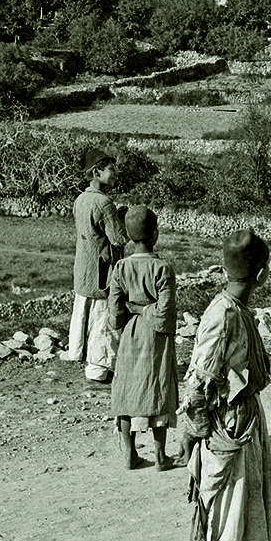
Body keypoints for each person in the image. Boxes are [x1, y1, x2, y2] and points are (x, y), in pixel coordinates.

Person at [182, 229, 271, 541]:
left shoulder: (235, 308)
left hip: (238, 424)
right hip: (225, 431)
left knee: (232, 516)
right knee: (214, 516)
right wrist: (200, 434)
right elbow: (196, 385)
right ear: (260, 273)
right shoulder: (223, 316)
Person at [108, 205, 180, 472]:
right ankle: (161, 457)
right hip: (155, 337)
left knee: (127, 390)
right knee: (157, 387)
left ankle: (130, 454)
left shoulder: (120, 268)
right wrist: (145, 309)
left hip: (130, 333)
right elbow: (165, 316)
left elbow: (115, 313)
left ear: (127, 235)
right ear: (156, 235)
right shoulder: (163, 269)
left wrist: (133, 311)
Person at [66, 147, 128, 383]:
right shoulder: (104, 204)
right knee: (102, 322)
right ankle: (99, 370)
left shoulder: (80, 199)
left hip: (84, 270)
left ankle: (88, 362)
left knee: (85, 317)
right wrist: (123, 219)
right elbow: (118, 239)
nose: (115, 174)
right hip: (103, 272)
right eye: (111, 169)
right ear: (96, 172)